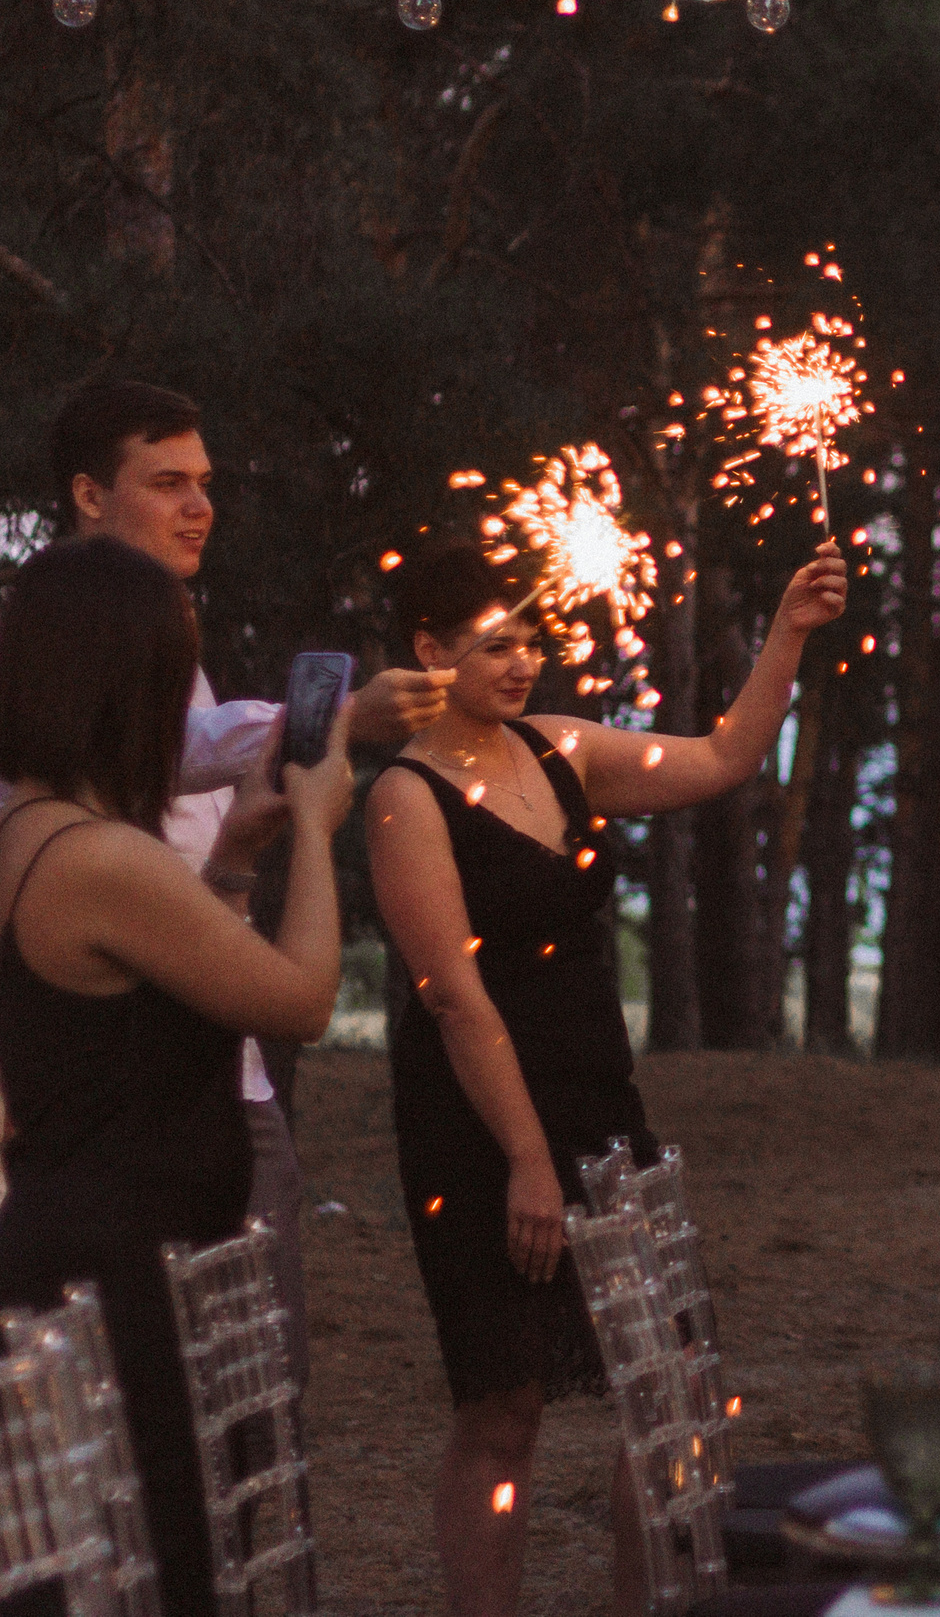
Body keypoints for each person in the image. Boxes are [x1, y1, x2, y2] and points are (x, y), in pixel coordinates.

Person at [367, 536, 843, 1617]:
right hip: (480, 1122)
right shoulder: (403, 799)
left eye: (530, 639)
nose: (521, 661)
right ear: (428, 648)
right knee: (507, 1402)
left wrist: (787, 634)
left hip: (596, 1098)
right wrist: (528, 1162)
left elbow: (722, 759)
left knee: (667, 1384)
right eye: (494, 644)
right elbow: (453, 995)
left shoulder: (559, 752)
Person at [46, 379, 451, 1394]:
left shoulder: (161, 627)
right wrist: (331, 726)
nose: (200, 507)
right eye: (168, 483)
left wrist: (238, 848)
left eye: (207, 483)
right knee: (201, 1414)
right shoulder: (52, 636)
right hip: (129, 1077)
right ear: (89, 495)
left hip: (220, 1066)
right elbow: (150, 751)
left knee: (260, 1402)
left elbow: (181, 805)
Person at [0, 537, 353, 1617]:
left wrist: (239, 852)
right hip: (118, 1283)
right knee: (146, 1570)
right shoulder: (104, 858)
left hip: (86, 1254)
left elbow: (158, 999)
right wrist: (321, 828)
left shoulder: (36, 830)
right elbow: (299, 1001)